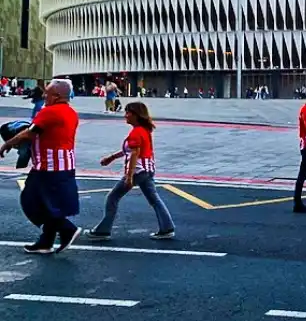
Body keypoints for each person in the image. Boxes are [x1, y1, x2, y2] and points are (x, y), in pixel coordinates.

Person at [0, 79, 81, 254]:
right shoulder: (71, 112)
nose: (44, 96)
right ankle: (46, 242)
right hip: (64, 164)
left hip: (48, 166)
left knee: (30, 201)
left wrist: (7, 144)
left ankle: (67, 229)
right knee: (48, 203)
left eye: (47, 93)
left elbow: (30, 133)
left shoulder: (50, 112)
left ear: (57, 96)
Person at [87, 102, 175, 240]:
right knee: (154, 199)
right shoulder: (144, 130)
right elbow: (128, 150)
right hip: (147, 169)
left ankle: (103, 230)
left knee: (113, 197)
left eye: (128, 112)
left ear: (136, 115)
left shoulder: (136, 132)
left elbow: (134, 154)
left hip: (138, 171)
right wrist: (112, 157)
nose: (125, 115)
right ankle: (167, 227)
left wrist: (129, 176)